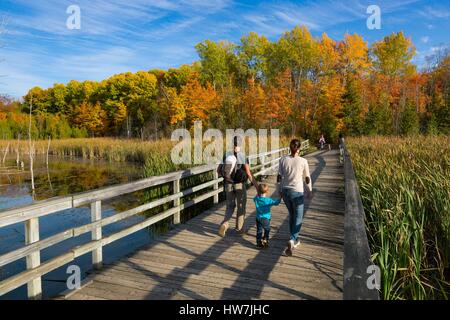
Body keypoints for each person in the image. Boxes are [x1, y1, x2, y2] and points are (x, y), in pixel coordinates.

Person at [278, 139, 313, 256]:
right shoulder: (303, 161)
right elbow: (307, 178)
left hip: (286, 191)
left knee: (292, 215)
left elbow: (279, 177)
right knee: (298, 217)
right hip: (297, 192)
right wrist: (310, 190)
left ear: (290, 147)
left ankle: (294, 238)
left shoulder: (283, 159)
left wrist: (280, 191)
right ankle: (293, 239)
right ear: (299, 149)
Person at [218, 137, 256, 237]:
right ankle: (239, 229)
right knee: (241, 206)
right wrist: (256, 186)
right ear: (240, 144)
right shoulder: (243, 156)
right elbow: (248, 173)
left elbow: (218, 171)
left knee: (230, 206)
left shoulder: (226, 154)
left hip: (228, 184)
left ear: (232, 144)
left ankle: (225, 224)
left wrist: (227, 178)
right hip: (239, 184)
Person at [253, 183, 281, 248]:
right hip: (266, 218)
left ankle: (258, 242)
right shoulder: (268, 200)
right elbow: (276, 203)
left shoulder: (257, 198)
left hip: (258, 218)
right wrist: (280, 198)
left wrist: (258, 194)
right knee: (267, 229)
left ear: (258, 191)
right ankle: (265, 239)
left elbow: (254, 199)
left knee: (259, 230)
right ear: (267, 191)